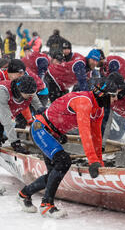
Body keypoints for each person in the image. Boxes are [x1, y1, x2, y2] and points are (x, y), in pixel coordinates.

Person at [17, 78, 119, 218]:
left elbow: (96, 137)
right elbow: (85, 134)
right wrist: (91, 160)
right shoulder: (85, 102)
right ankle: (47, 205)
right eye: (113, 95)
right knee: (63, 162)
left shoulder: (98, 110)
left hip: (52, 133)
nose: (116, 99)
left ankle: (24, 195)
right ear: (103, 95)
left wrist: (98, 161)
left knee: (53, 175)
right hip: (40, 129)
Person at [0, 75, 41, 195]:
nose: (31, 97)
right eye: (29, 95)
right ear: (20, 90)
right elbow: (6, 120)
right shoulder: (2, 91)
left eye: (33, 94)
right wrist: (15, 143)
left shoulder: (30, 91)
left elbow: (40, 109)